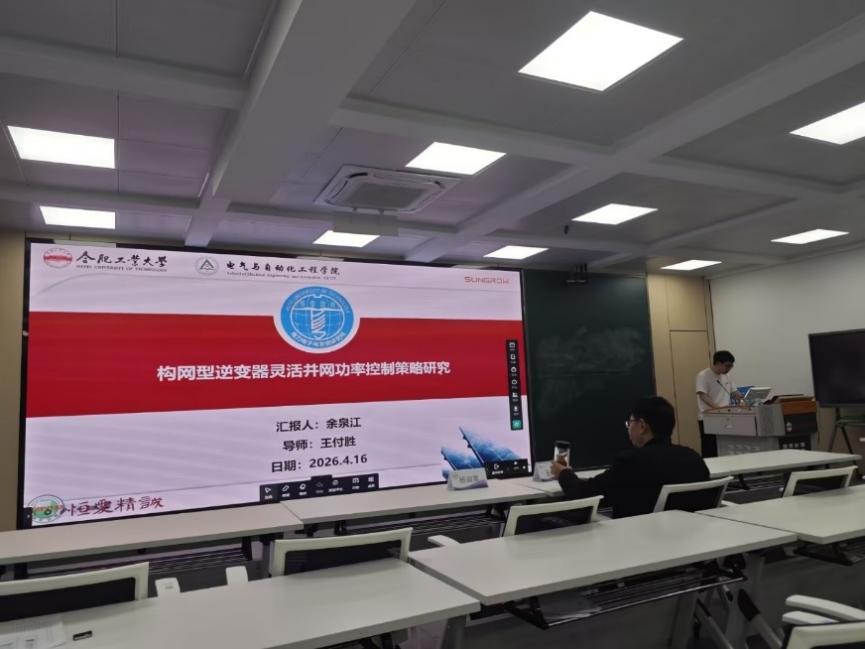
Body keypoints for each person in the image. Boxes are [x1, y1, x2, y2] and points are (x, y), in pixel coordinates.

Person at [550, 396, 709, 518]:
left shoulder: (632, 462)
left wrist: (563, 473)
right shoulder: (693, 459)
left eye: (630, 422)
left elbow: (585, 495)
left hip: (636, 542)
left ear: (642, 426)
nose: (628, 427)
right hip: (687, 541)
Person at [696, 350, 745, 457]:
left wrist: (743, 400)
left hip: (725, 417)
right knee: (710, 450)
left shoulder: (727, 376)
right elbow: (703, 395)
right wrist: (718, 409)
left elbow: (734, 392)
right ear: (718, 363)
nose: (729, 368)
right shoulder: (703, 375)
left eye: (731, 366)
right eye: (727, 365)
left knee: (725, 448)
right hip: (708, 418)